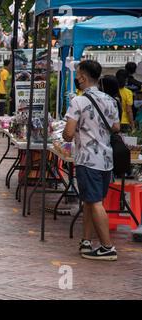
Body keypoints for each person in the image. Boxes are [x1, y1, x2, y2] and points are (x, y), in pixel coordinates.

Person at [63, 60, 119, 261]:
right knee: (90, 200)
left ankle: (107, 247)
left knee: (94, 202)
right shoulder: (110, 100)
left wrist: (74, 132)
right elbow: (116, 127)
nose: (77, 78)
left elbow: (68, 133)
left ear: (84, 77)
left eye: (78, 75)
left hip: (88, 159)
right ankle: (86, 241)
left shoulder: (78, 101)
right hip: (106, 160)